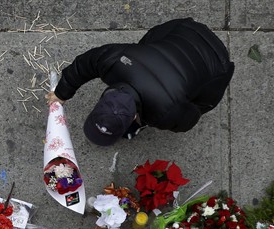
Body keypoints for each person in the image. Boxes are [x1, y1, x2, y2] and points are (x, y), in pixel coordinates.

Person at [46, 18, 235, 146]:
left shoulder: (166, 113)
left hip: (217, 63)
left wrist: (177, 105)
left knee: (202, 100)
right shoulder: (115, 60)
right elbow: (83, 65)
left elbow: (189, 120)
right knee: (145, 45)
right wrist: (61, 93)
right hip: (184, 30)